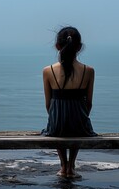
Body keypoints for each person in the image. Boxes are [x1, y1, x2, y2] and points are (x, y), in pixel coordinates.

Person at [41, 26, 97, 178]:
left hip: (56, 125)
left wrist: (58, 117)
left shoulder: (48, 70)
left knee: (58, 121)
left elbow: (48, 105)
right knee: (78, 120)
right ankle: (71, 166)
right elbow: (89, 104)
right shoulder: (89, 71)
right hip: (80, 125)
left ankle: (63, 165)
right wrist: (80, 117)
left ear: (57, 46)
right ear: (79, 47)